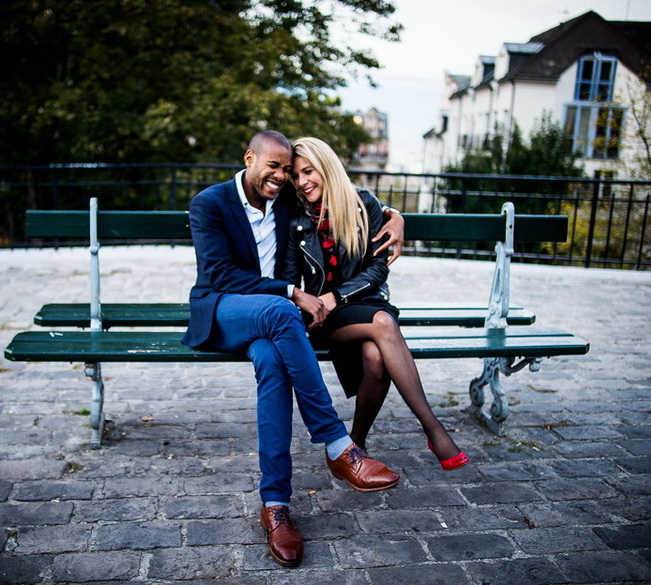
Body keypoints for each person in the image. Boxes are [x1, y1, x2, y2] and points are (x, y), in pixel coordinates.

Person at [181, 130, 405, 568]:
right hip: (224, 310)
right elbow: (220, 274)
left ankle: (275, 506)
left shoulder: (285, 199)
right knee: (283, 311)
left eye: (287, 170)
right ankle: (338, 445)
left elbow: (347, 196)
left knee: (271, 360)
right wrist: (290, 290)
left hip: (270, 321)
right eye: (274, 166)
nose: (282, 176)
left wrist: (396, 216)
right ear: (250, 158)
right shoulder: (210, 203)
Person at [283, 136, 470, 473]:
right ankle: (434, 430)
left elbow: (378, 266)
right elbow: (287, 273)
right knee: (384, 323)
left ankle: (356, 444)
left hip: (363, 303)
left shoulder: (362, 203)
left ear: (327, 167)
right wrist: (308, 301)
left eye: (309, 171)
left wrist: (339, 294)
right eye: (297, 176)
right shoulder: (295, 217)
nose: (302, 182)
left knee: (375, 356)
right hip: (326, 318)